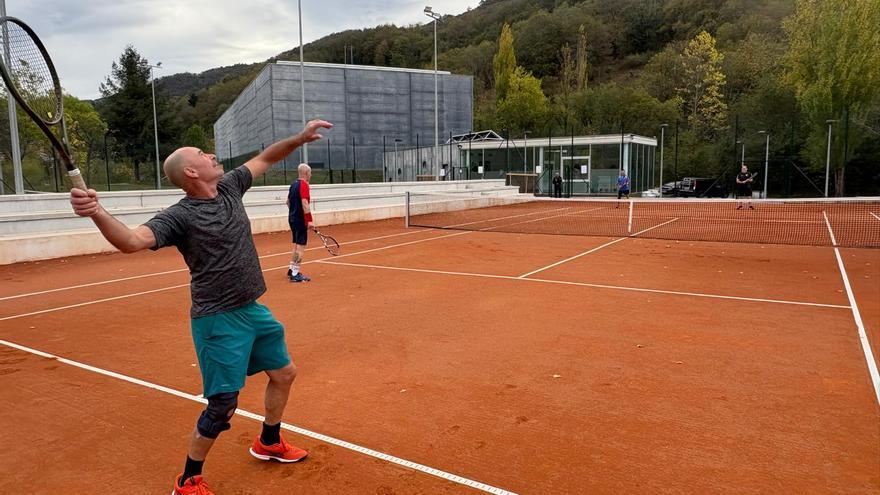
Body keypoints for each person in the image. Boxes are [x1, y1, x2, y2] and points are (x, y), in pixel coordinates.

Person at [69, 119, 333, 495]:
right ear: (192, 171)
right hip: (218, 320)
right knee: (223, 403)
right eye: (202, 154)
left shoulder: (229, 186)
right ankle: (189, 479)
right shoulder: (180, 216)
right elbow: (130, 240)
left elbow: (266, 157)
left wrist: (300, 138)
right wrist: (95, 211)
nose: (211, 154)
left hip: (253, 309)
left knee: (284, 373)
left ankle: (268, 442)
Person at [287, 163, 313, 282]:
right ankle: (295, 273)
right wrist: (309, 220)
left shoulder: (293, 185)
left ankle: (291, 269)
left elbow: (287, 202)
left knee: (297, 245)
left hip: (292, 219)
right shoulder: (304, 185)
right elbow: (305, 203)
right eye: (310, 173)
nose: (311, 175)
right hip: (300, 220)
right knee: (301, 247)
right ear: (306, 173)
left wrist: (294, 212)